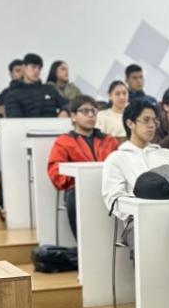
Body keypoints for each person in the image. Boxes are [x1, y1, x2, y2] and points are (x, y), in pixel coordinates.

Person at [47, 95, 120, 237]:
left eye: (93, 111)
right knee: (73, 197)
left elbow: (118, 164)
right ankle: (82, 244)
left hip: (107, 187)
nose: (91, 115)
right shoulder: (64, 141)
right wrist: (77, 178)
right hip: (78, 190)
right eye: (85, 111)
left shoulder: (109, 140)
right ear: (73, 116)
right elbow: (55, 170)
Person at [102, 98, 169, 220]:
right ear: (130, 123)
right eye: (146, 120)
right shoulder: (116, 159)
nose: (152, 125)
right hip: (139, 221)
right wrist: (141, 212)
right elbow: (113, 198)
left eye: (154, 121)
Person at [3, 53, 68, 119]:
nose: (37, 71)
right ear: (24, 68)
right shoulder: (13, 95)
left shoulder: (49, 89)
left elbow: (68, 104)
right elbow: (15, 121)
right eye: (33, 67)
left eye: (39, 68)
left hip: (54, 125)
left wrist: (65, 111)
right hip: (28, 125)